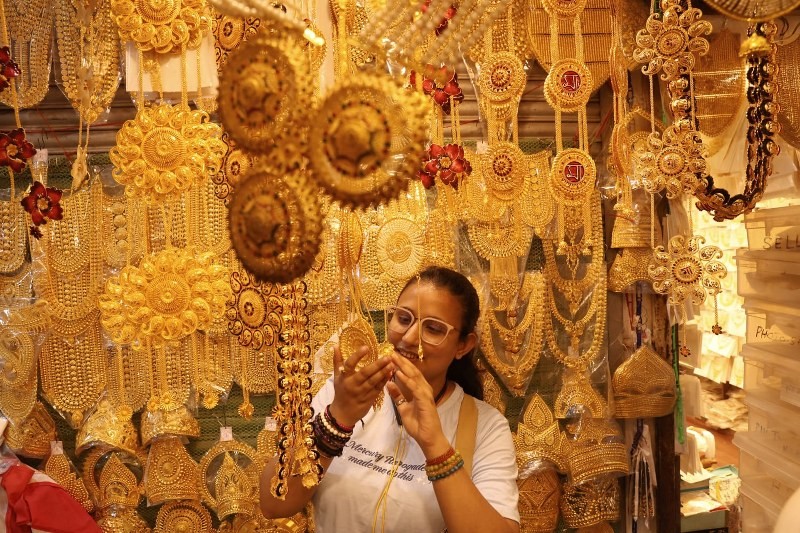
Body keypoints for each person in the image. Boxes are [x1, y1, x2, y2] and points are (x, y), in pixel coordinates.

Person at [260, 266, 520, 532]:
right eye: (404, 319)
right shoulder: (344, 394)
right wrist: (336, 421)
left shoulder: (486, 426)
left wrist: (436, 447)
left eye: (433, 329)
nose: (408, 339)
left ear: (463, 345)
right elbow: (273, 504)